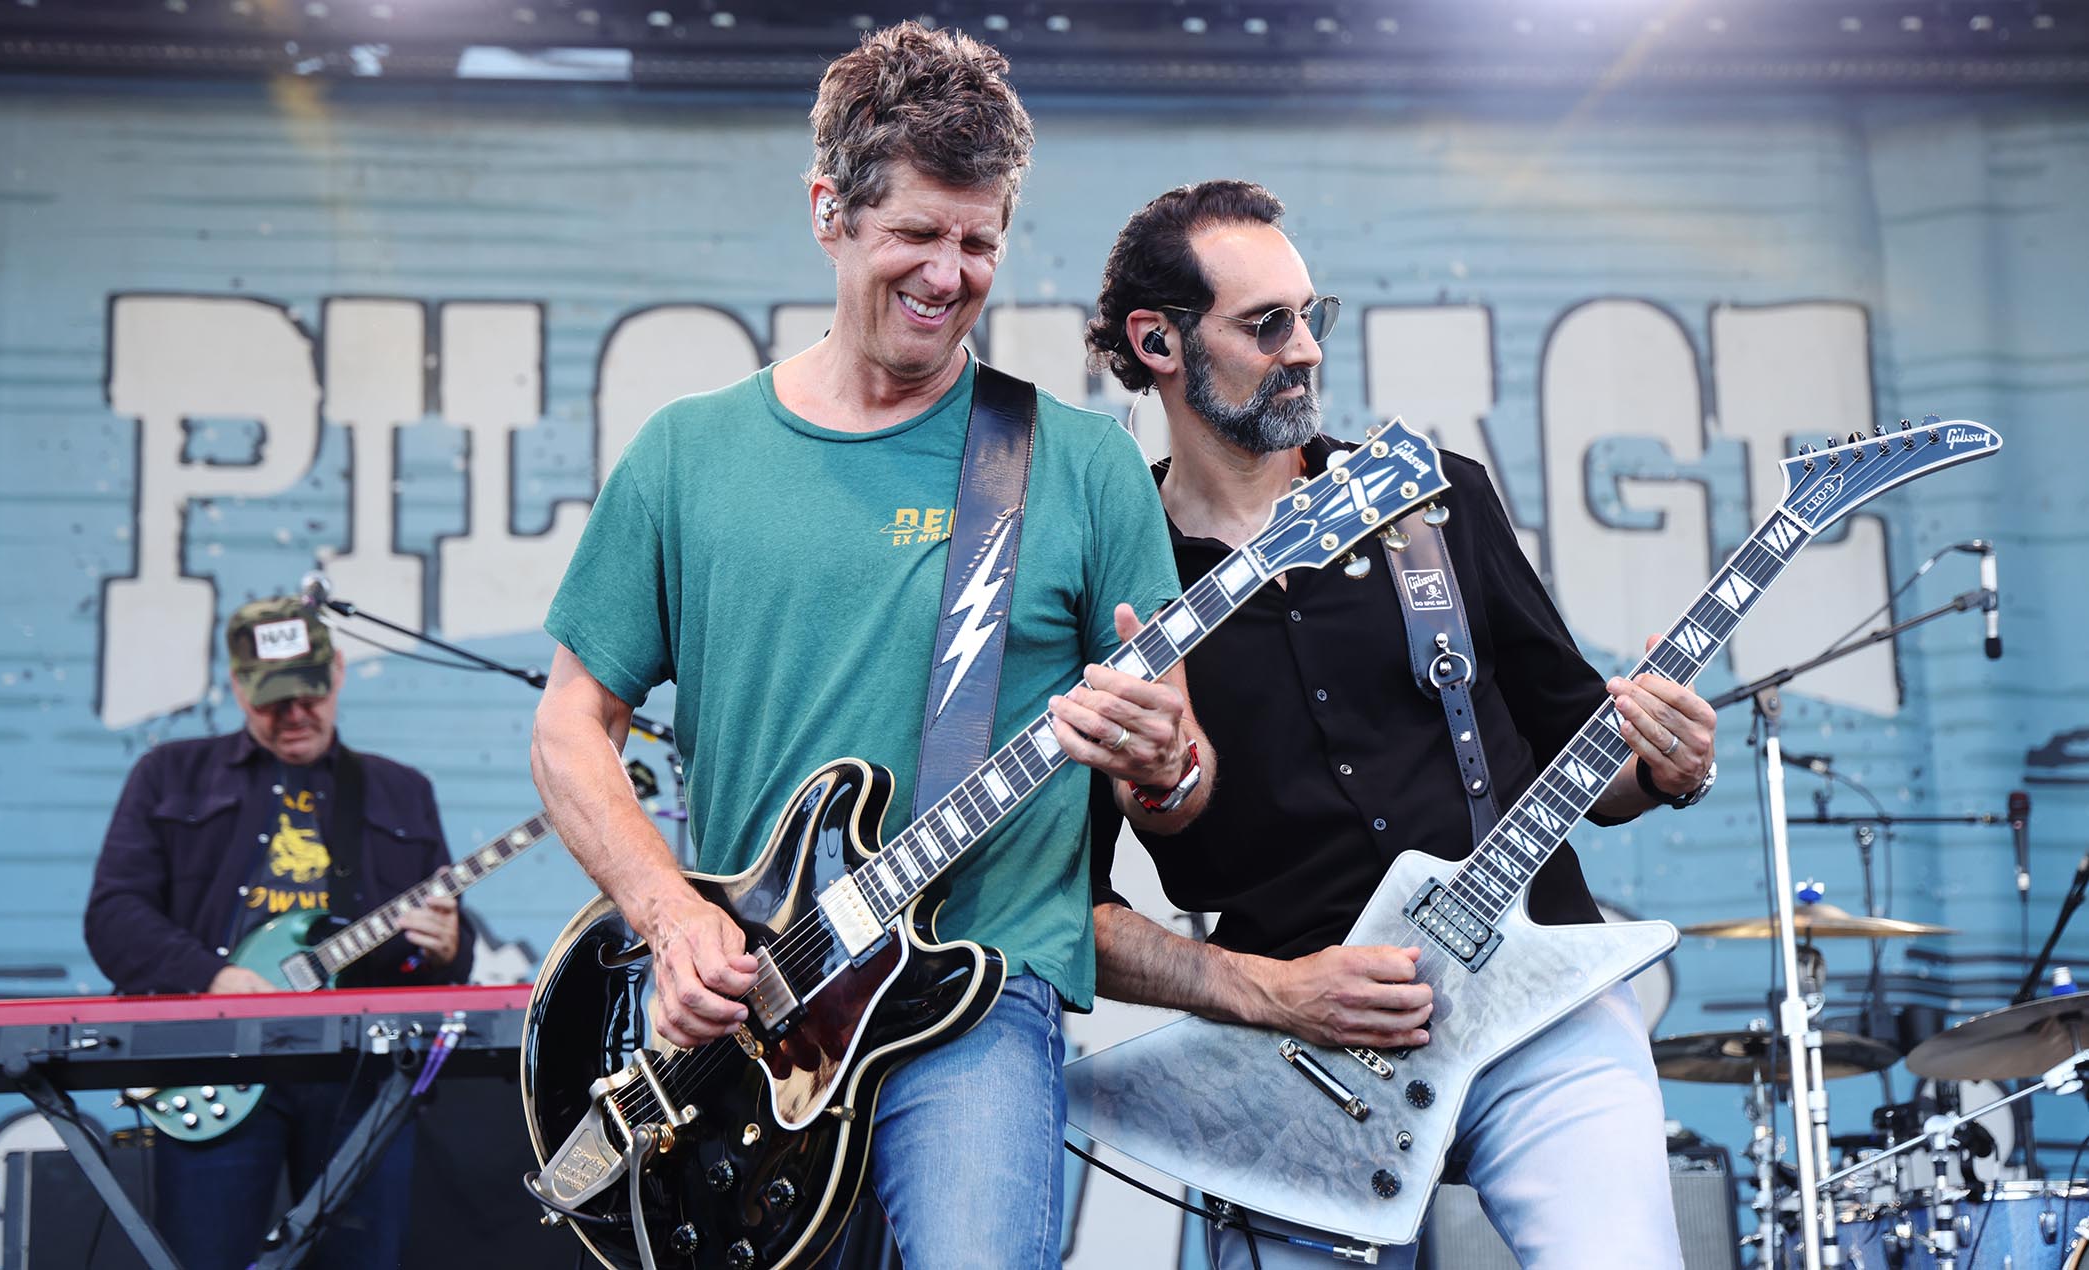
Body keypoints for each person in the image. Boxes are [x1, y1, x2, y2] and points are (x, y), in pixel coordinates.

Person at [529, 22, 1211, 1269]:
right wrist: (672, 917)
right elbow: (574, 724)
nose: (949, 274)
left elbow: (1175, 786)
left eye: (978, 242)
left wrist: (1162, 760)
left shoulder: (1080, 461)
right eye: (916, 234)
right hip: (744, 1019)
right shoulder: (690, 452)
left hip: (975, 993)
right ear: (828, 209)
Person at [1083, 180, 1720, 1269]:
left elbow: (1588, 753)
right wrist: (1278, 991)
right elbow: (1063, 913)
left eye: (1310, 316)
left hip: (1539, 1002)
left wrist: (1667, 764)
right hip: (1301, 1061)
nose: (1306, 351)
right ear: (1157, 343)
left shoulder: (1430, 497)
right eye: (1265, 323)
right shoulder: (1110, 580)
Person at [85, 595, 472, 1269]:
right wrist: (215, 978)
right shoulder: (170, 775)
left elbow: (436, 963)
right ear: (237, 687)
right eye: (273, 699)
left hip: (358, 1070)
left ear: (339, 672)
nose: (296, 714)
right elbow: (114, 916)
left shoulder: (399, 791)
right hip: (217, 1059)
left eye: (310, 693)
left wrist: (448, 947)